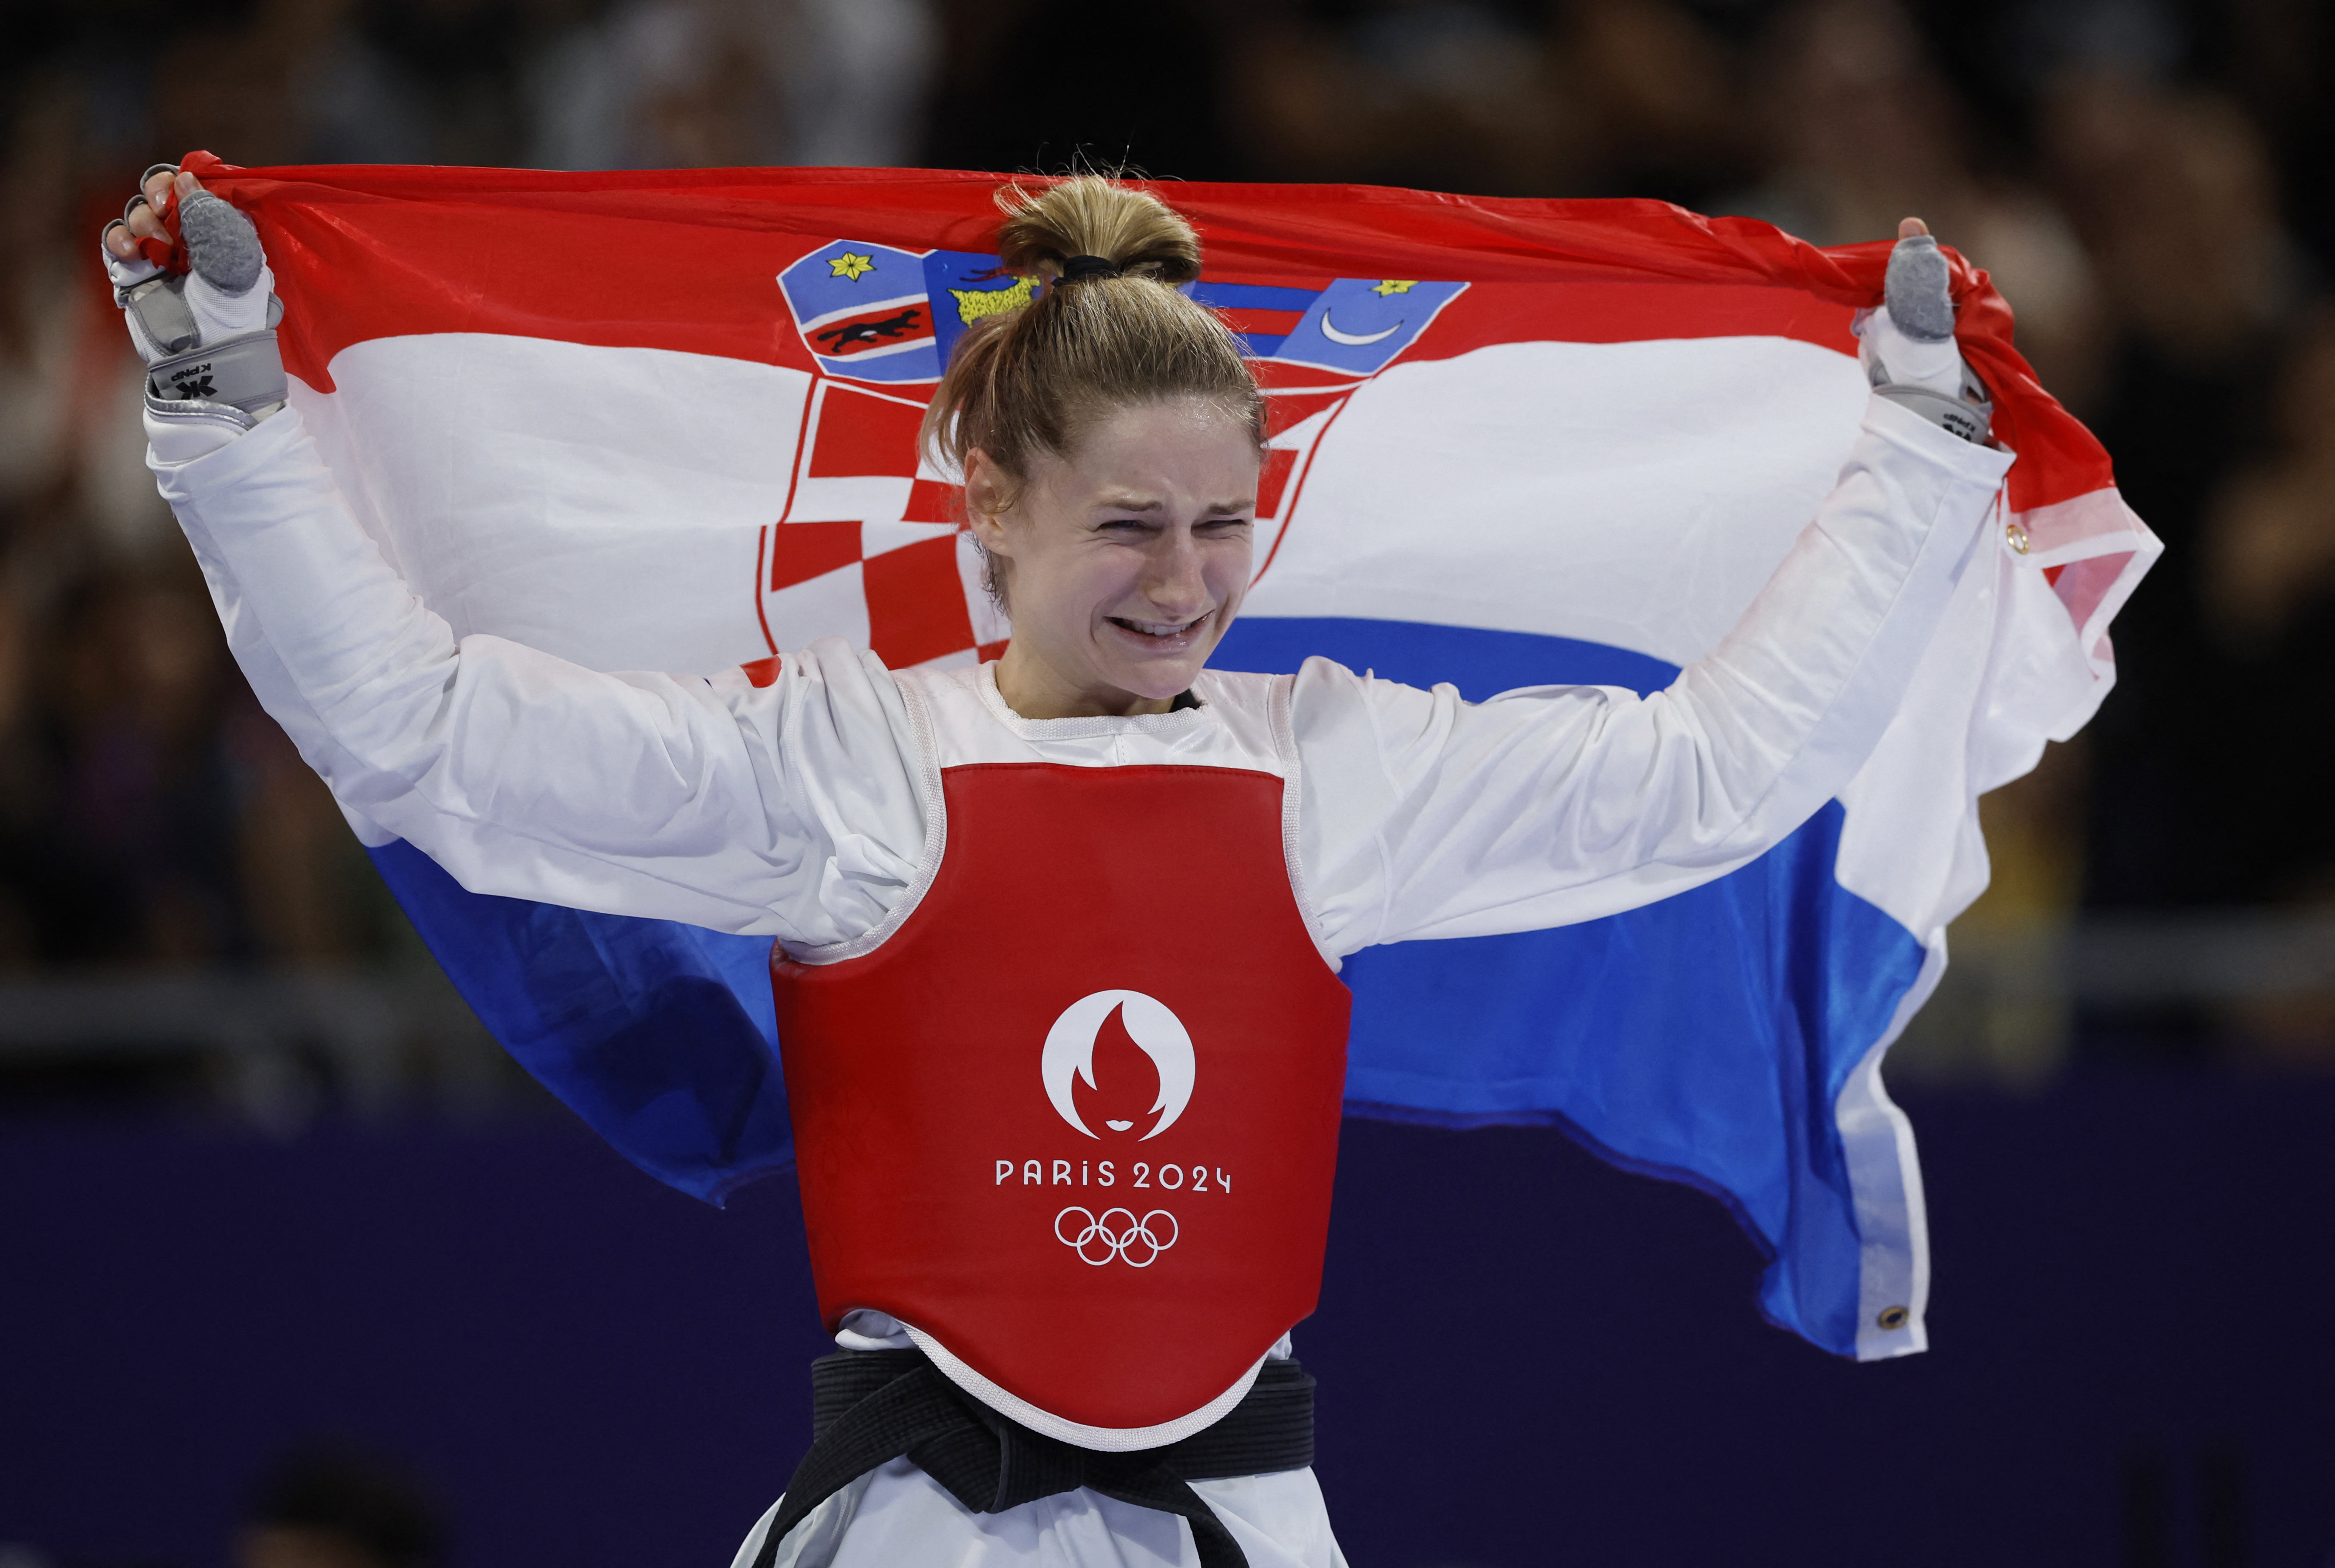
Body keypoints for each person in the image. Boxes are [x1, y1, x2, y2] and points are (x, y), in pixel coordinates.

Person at [103, 166, 2010, 1568]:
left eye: (1220, 523)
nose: (1184, 581)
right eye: (1127, 524)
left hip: (1249, 1524)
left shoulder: (1331, 772)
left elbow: (1713, 774)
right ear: (991, 503)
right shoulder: (847, 767)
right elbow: (419, 729)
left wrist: (1921, 456)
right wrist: (224, 417)